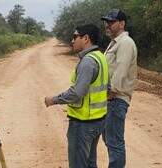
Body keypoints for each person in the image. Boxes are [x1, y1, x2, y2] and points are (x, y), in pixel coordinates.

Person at [44, 23, 109, 168]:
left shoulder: (88, 61)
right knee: (90, 163)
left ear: (86, 38)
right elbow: (108, 88)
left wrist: (53, 100)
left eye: (75, 37)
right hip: (98, 121)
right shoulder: (100, 57)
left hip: (83, 123)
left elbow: (77, 93)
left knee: (78, 164)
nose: (72, 40)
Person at [101, 9, 137, 168]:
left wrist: (109, 94)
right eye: (106, 22)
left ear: (122, 23)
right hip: (110, 99)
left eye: (111, 22)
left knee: (114, 142)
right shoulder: (115, 42)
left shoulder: (126, 43)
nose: (107, 25)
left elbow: (120, 72)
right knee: (110, 139)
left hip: (115, 99)